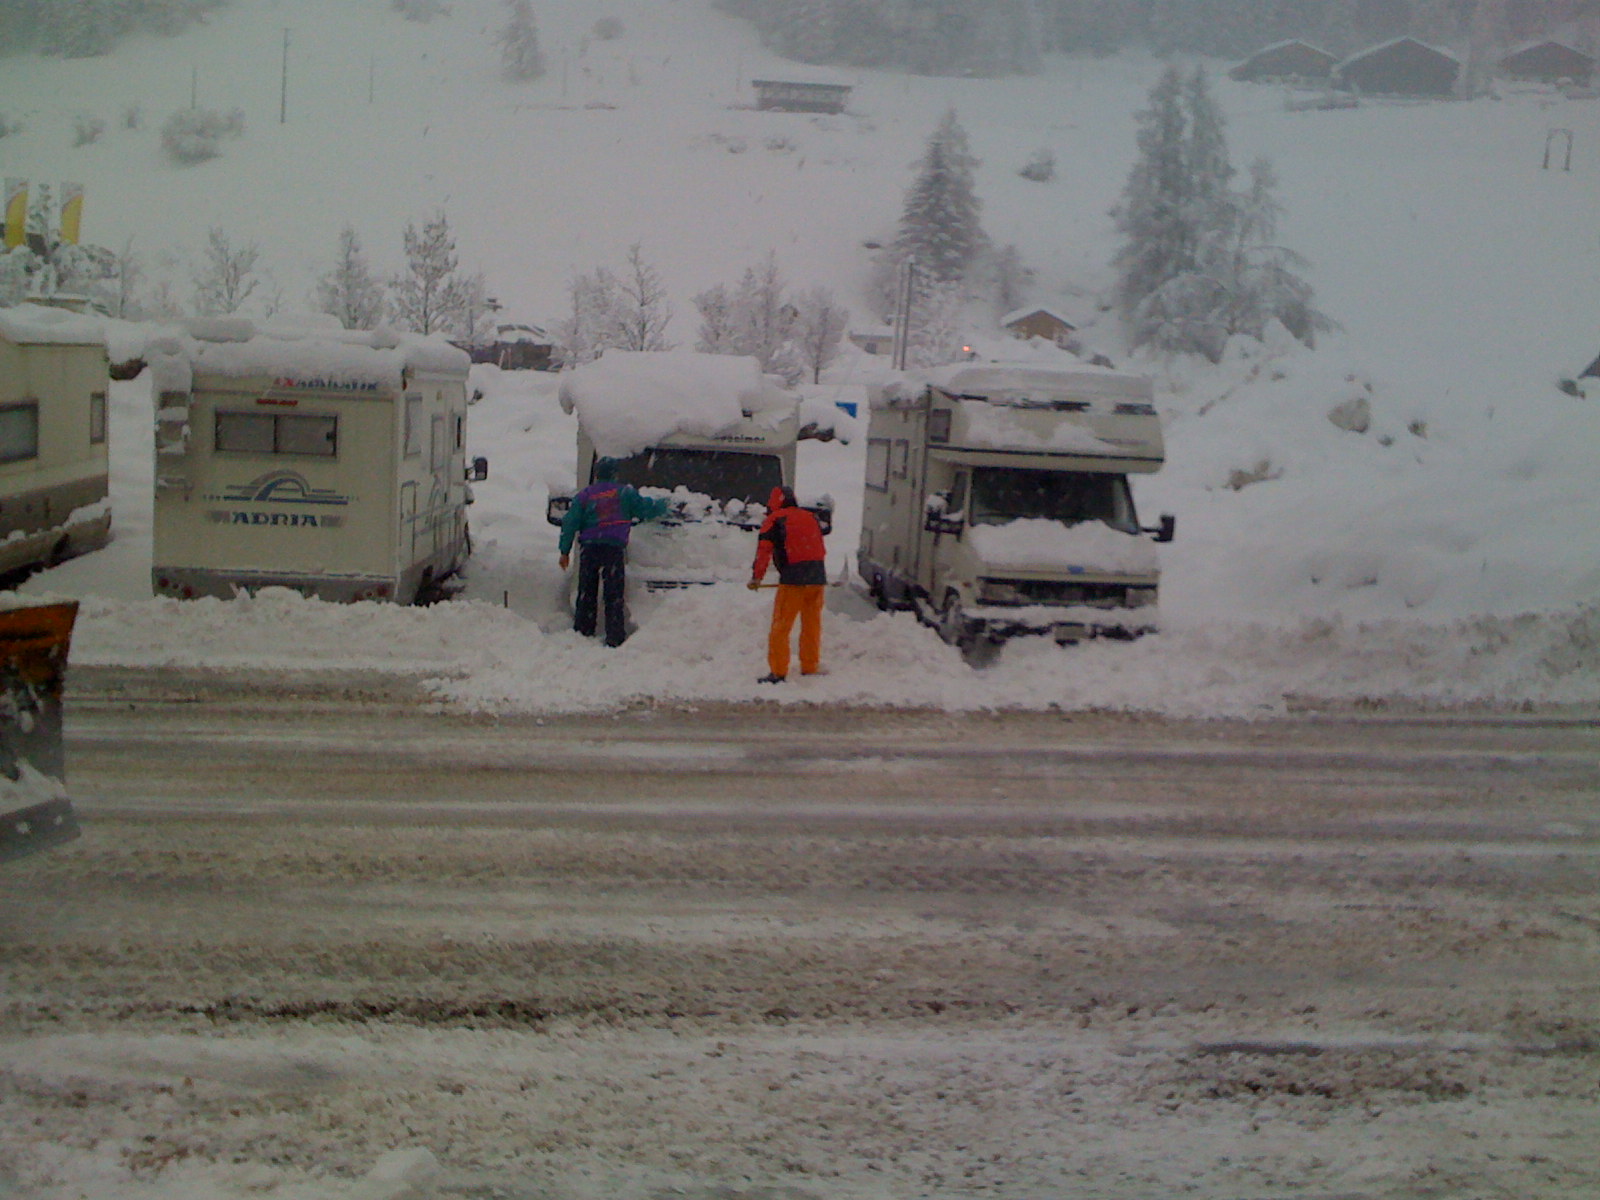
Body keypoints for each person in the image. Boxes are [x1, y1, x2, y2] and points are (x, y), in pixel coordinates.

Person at [558, 457, 668, 647]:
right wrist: (664, 505)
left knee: (586, 592)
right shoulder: (624, 493)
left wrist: (564, 551)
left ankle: (583, 631)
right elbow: (645, 509)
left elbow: (570, 522)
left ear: (596, 474)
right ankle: (614, 635)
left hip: (589, 548)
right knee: (613, 594)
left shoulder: (585, 495)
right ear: (615, 474)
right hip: (613, 548)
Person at [748, 485, 827, 683]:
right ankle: (810, 666)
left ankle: (778, 672)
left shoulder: (775, 520)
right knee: (812, 625)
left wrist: (757, 578)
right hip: (817, 577)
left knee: (781, 626)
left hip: (794, 579)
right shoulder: (810, 516)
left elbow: (764, 551)